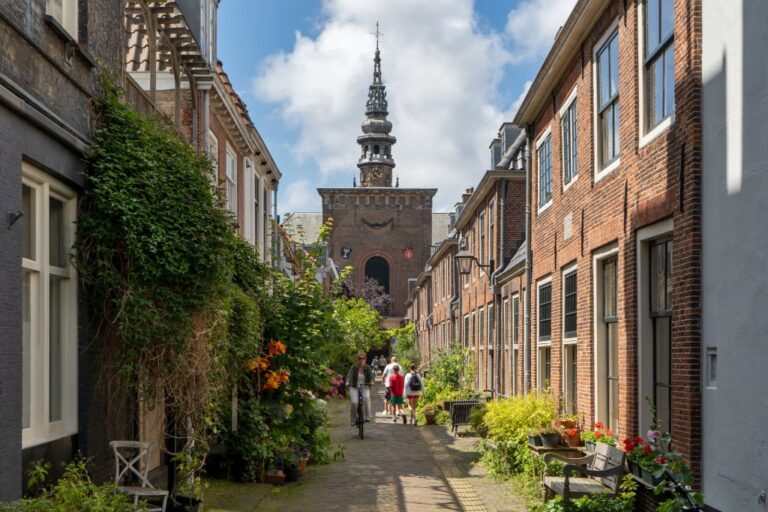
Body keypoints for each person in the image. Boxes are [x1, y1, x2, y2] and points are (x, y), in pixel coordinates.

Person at [346, 352, 374, 427]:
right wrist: (348, 382)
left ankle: (368, 416)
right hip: (354, 386)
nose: (361, 360)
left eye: (363, 358)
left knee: (366, 398)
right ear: (357, 359)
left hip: (364, 386)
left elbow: (371, 376)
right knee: (354, 402)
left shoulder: (368, 367)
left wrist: (371, 381)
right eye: (359, 358)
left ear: (365, 359)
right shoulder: (353, 367)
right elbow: (349, 375)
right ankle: (353, 419)